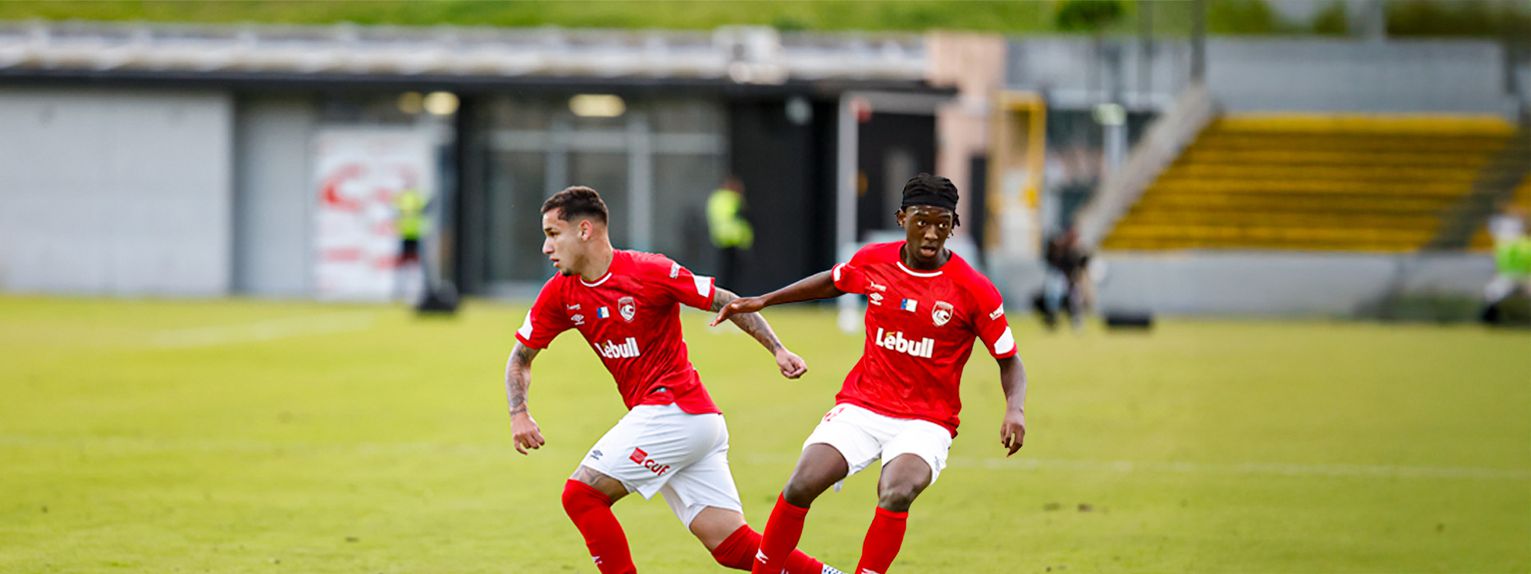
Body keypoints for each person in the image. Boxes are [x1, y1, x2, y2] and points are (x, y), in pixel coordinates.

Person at [505, 186, 843, 574]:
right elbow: (520, 358)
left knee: (581, 496)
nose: (546, 248)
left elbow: (723, 299)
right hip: (692, 424)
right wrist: (519, 411)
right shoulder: (561, 293)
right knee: (731, 545)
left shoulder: (649, 270)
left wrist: (778, 349)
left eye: (552, 234)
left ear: (584, 231)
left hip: (673, 411)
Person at [712, 173, 1029, 574]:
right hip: (863, 405)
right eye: (921, 221)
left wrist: (1014, 409)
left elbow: (1009, 358)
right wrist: (765, 300)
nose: (931, 234)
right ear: (902, 218)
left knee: (895, 492)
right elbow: (834, 281)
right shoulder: (875, 260)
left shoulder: (973, 289)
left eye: (942, 224)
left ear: (954, 226)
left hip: (927, 419)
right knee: (801, 484)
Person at [707, 176, 754, 289]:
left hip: (721, 239)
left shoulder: (715, 198)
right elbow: (740, 218)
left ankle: (723, 294)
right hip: (734, 239)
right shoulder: (732, 198)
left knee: (725, 271)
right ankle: (732, 295)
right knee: (733, 273)